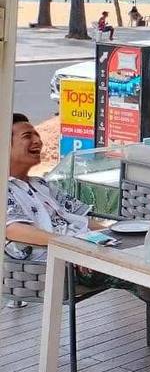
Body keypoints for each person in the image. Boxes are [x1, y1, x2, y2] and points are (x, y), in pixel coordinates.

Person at [6, 113, 109, 265]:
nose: (38, 141)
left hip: (85, 250)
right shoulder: (5, 189)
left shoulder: (41, 184)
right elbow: (12, 229)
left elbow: (81, 216)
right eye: (27, 136)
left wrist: (111, 235)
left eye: (37, 135)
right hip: (56, 264)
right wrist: (71, 246)